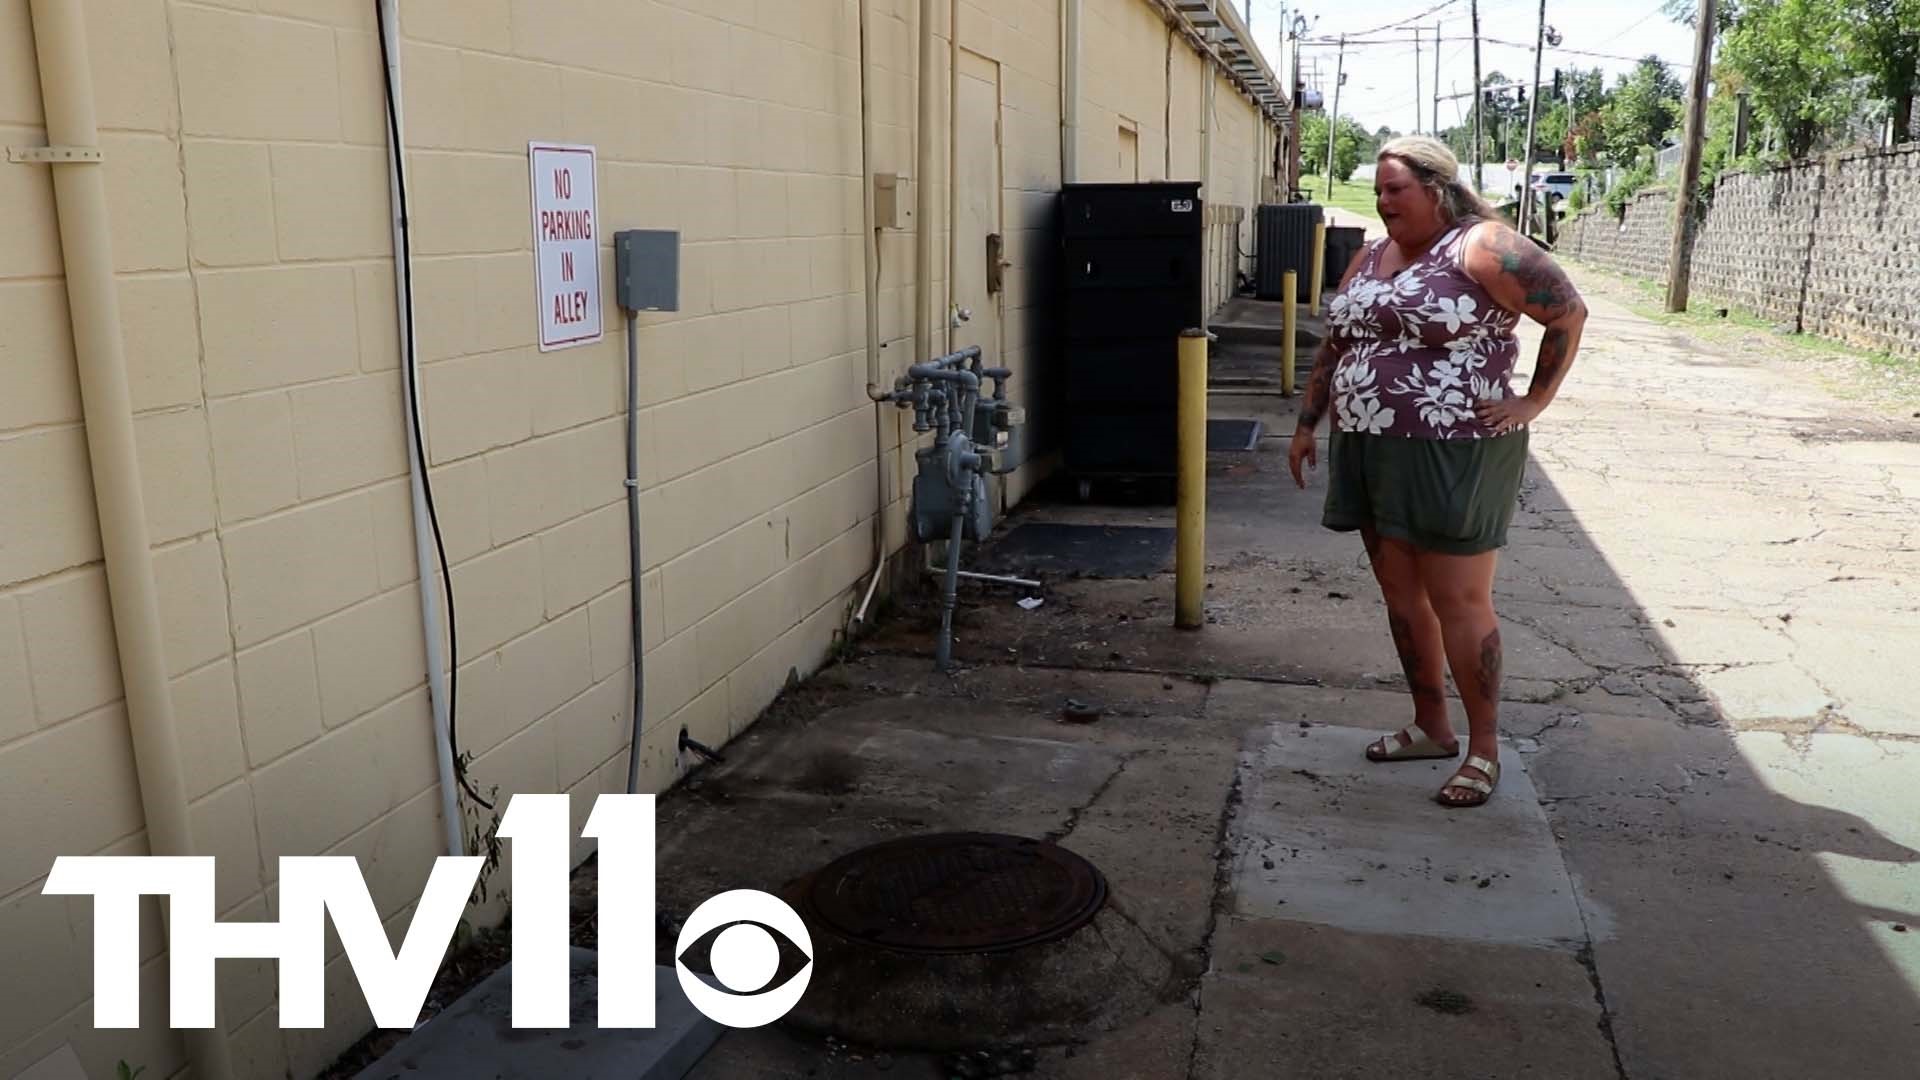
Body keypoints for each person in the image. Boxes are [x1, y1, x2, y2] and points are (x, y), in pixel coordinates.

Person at [1287, 136, 1587, 808]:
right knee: (1402, 596)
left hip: (1455, 448)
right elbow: (1339, 340)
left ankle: (1485, 750)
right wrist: (1309, 424)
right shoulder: (1368, 255)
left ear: (1436, 187)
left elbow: (1566, 311)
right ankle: (1431, 726)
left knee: (1458, 599)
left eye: (1396, 188)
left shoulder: (1482, 247)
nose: (1383, 200)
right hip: (1367, 445)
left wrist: (1532, 400)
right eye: (1379, 190)